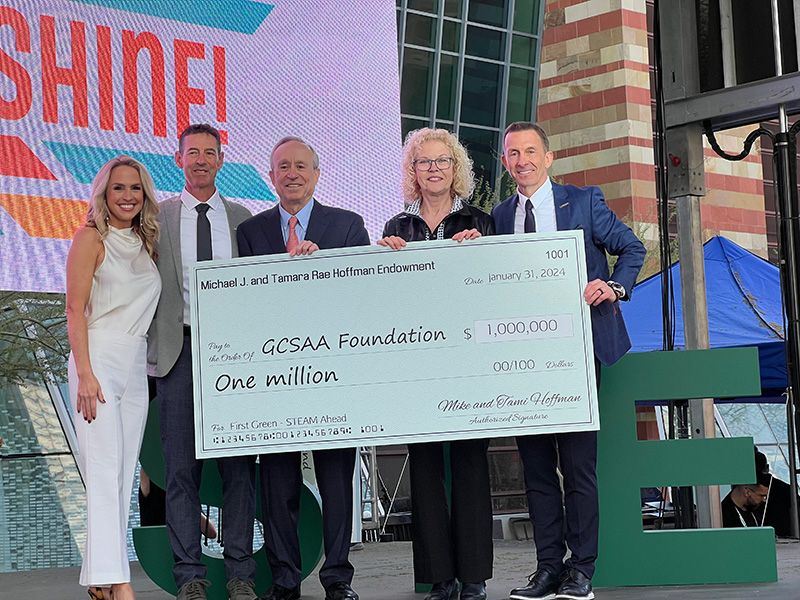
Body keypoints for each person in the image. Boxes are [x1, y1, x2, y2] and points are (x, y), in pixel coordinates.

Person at [492, 122, 645, 600]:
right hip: (525, 358)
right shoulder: (500, 216)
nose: (522, 161)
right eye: (513, 154)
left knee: (578, 467)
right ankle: (547, 569)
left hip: (578, 352)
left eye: (530, 151)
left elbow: (632, 247)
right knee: (535, 469)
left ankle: (582, 570)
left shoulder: (583, 202)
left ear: (549, 157)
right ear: (504, 163)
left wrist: (613, 286)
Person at [237, 136, 369, 600]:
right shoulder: (251, 234)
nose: (291, 174)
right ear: (270, 177)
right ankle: (285, 580)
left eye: (300, 166)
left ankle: (338, 579)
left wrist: (322, 270)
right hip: (275, 380)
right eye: (282, 167)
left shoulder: (348, 226)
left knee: (337, 484)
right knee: (277, 486)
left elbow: (362, 298)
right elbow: (244, 305)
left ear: (316, 174)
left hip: (334, 375)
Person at [378, 128, 494, 600]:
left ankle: (473, 579)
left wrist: (481, 252)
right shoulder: (396, 227)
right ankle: (438, 578)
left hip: (469, 364)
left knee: (469, 467)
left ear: (456, 168)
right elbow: (380, 301)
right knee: (424, 470)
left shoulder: (482, 222)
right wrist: (382, 262)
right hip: (417, 366)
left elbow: (498, 288)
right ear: (412, 171)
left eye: (441, 161)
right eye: (423, 162)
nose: (433, 169)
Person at [147, 124, 257, 600]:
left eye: (209, 153)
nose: (201, 160)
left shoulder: (242, 218)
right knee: (180, 472)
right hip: (178, 351)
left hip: (232, 355)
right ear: (178, 159)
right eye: (193, 153)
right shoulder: (159, 219)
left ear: (220, 161)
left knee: (237, 469)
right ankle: (190, 574)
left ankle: (240, 575)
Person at [66, 156, 162, 600]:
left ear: (145, 196)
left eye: (135, 188)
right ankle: (120, 584)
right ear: (104, 193)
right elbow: (74, 310)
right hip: (99, 358)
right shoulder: (90, 239)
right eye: (118, 188)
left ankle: (101, 579)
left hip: (135, 361)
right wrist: (85, 373)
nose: (127, 196)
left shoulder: (147, 243)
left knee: (123, 475)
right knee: (104, 471)